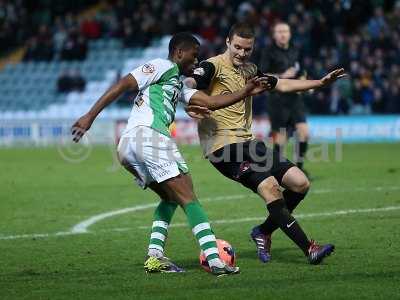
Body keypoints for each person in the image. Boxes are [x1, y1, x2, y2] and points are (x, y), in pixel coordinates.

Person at [71, 32, 271, 276]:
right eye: (194, 56)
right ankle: (215, 260)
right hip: (149, 138)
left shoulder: (177, 83)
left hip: (128, 147)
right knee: (189, 197)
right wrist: (89, 116)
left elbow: (210, 102)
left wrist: (247, 91)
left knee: (170, 198)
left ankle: (155, 257)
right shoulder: (161, 66)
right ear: (178, 53)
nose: (197, 62)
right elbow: (123, 84)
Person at [185, 22, 345, 264]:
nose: (241, 53)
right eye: (237, 47)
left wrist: (320, 83)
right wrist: (190, 102)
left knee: (300, 183)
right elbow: (188, 84)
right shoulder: (212, 66)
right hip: (222, 148)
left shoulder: (250, 70)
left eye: (246, 49)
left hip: (248, 142)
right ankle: (310, 248)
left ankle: (264, 231)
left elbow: (283, 83)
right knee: (270, 186)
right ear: (228, 42)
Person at [260, 22, 310, 174]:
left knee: (304, 132)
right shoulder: (268, 52)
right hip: (277, 100)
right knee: (280, 137)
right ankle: (279, 171)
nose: (283, 34)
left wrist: (303, 80)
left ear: (290, 34)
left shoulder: (296, 50)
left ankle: (299, 169)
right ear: (274, 35)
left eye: (285, 31)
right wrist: (282, 76)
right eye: (279, 31)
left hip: (295, 98)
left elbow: (302, 70)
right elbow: (262, 75)